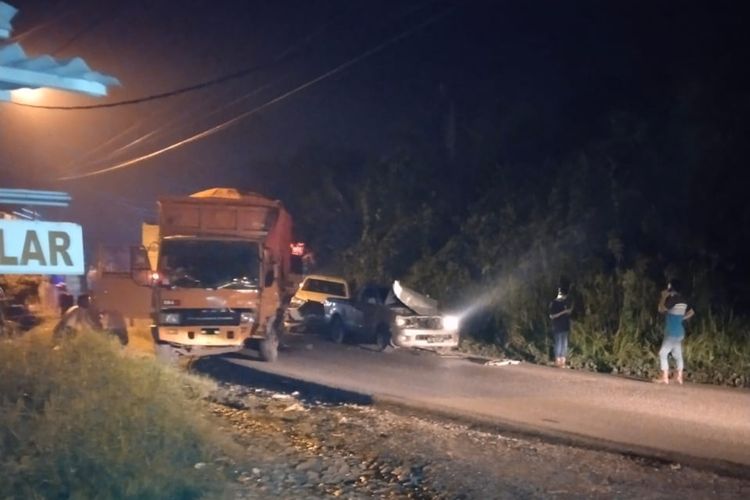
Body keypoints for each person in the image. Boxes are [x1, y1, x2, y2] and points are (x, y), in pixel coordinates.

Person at [655, 278, 694, 384]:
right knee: (677, 354)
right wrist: (681, 318)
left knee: (663, 353)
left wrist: (663, 297)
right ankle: (679, 377)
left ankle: (665, 377)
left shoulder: (673, 299)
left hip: (671, 332)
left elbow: (661, 309)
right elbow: (691, 312)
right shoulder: (684, 300)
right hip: (680, 332)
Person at [548, 286, 573, 367]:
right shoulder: (554, 303)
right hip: (557, 327)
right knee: (558, 343)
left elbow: (568, 313)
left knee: (564, 343)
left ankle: (563, 360)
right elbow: (552, 316)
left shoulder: (565, 303)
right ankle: (557, 360)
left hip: (565, 326)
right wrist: (563, 312)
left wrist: (568, 312)